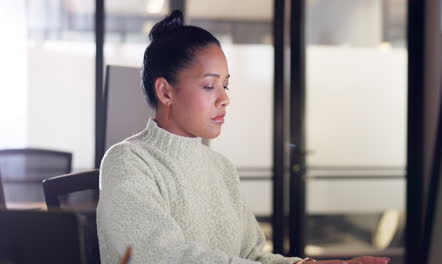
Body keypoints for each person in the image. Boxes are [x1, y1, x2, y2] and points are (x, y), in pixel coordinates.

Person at [96, 10, 391, 264]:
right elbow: (162, 257)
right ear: (165, 91)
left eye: (226, 86)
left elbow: (253, 255)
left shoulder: (221, 168)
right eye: (210, 86)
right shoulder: (128, 162)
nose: (224, 99)